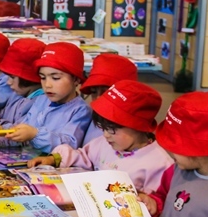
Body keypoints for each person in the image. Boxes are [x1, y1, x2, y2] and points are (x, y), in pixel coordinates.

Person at [30, 81, 173, 192]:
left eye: (111, 129)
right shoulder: (103, 144)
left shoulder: (159, 164)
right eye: (103, 128)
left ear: (138, 127)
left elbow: (157, 204)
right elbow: (83, 156)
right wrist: (53, 159)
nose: (105, 135)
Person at [4, 42, 91, 152]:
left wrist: (35, 134)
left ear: (76, 80)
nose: (47, 85)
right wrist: (0, 129)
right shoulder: (41, 99)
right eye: (43, 77)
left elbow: (69, 144)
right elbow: (23, 126)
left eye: (55, 78)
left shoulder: (80, 110)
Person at [0, 38, 45, 129]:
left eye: (12, 77)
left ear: (27, 78)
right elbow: (1, 115)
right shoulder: (16, 94)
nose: (8, 82)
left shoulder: (40, 103)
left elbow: (20, 131)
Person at [80, 53, 138, 144]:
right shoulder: (91, 118)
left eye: (107, 93)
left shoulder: (129, 135)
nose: (98, 98)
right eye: (94, 92)